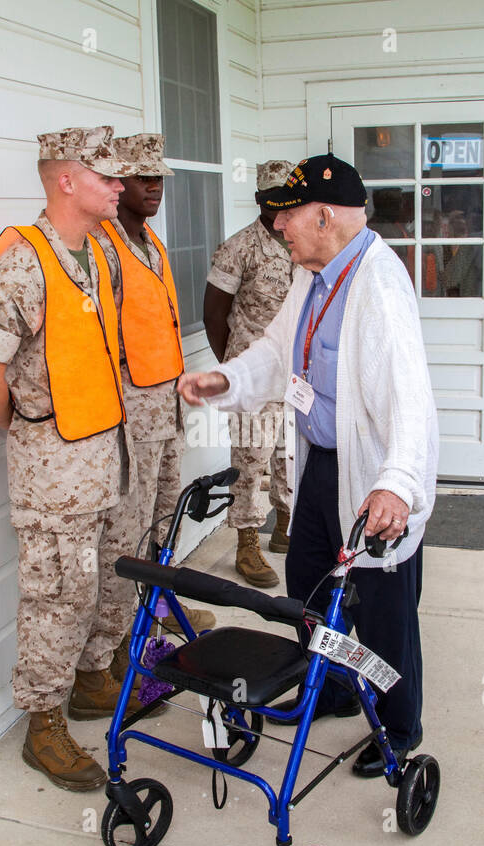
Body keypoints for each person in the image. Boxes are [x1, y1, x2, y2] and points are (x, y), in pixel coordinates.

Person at [179, 154, 439, 776]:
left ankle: (399, 728)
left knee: (383, 609)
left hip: (371, 478)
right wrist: (225, 379)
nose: (277, 228)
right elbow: (275, 350)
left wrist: (397, 484)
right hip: (320, 465)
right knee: (313, 589)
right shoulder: (311, 273)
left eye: (288, 216)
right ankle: (340, 689)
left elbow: (411, 396)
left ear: (323, 216)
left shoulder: (377, 282)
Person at [0, 126, 143, 792]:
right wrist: (33, 429)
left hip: (110, 460)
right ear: (66, 179)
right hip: (55, 476)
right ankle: (44, 725)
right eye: (107, 175)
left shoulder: (101, 253)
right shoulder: (23, 261)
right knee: (58, 598)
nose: (120, 185)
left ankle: (95, 681)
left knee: (110, 582)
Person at [90, 133, 214, 655]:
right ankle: (111, 646)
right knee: (126, 532)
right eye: (143, 178)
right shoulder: (102, 246)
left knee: (165, 518)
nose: (154, 187)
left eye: (159, 177)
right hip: (130, 415)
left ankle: (157, 612)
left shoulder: (150, 243)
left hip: (165, 409)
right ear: (118, 184)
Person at [202, 159, 297, 589]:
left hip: (295, 376)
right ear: (259, 198)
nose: (280, 206)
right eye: (272, 196)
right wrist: (235, 369)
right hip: (253, 378)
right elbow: (213, 313)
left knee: (288, 457)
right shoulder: (239, 247)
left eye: (288, 197)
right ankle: (246, 543)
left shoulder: (301, 243)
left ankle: (284, 527)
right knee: (250, 460)